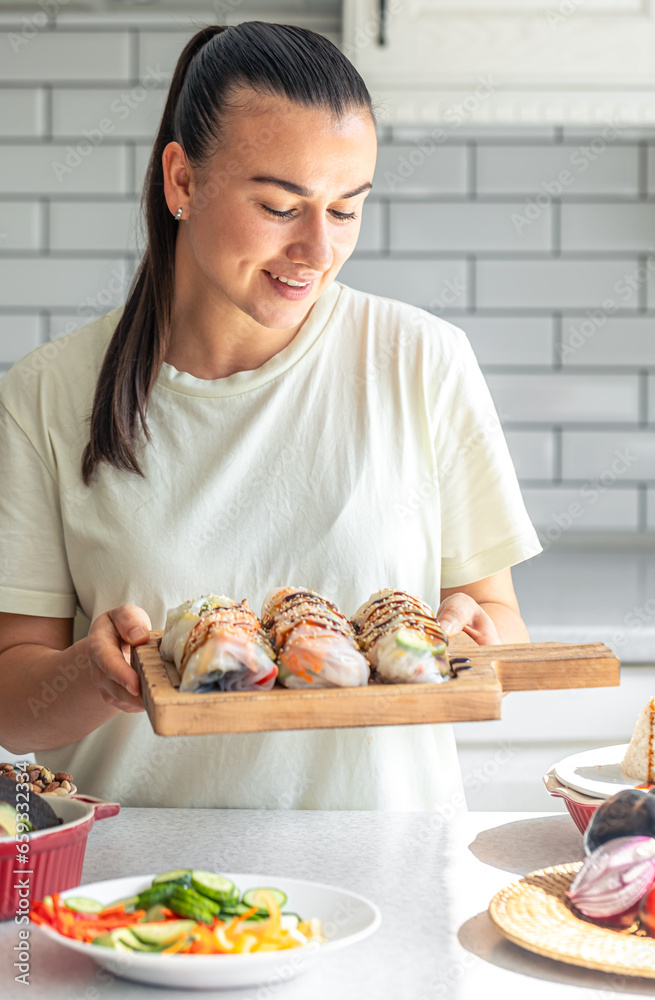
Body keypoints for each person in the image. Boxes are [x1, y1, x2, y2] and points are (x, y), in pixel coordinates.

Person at [0, 22, 541, 809]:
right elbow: (14, 704)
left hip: (389, 870)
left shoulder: (421, 359)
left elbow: (500, 622)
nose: (318, 249)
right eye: (281, 206)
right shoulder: (47, 394)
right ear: (181, 181)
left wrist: (471, 631)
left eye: (346, 209)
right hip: (137, 891)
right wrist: (96, 674)